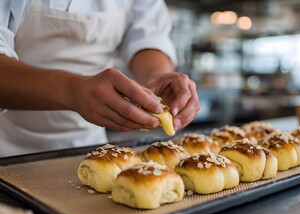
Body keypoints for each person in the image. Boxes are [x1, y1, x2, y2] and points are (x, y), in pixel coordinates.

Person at [0, 0, 200, 157]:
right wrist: (72, 91)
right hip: (7, 146)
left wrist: (158, 75)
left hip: (90, 146)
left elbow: (146, 36)